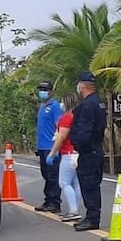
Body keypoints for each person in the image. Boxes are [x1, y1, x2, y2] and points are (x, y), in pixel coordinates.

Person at [68, 71, 107, 232]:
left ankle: (92, 218)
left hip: (88, 151)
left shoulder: (87, 105)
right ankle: (91, 216)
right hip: (97, 149)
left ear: (82, 86)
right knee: (92, 184)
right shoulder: (99, 102)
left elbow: (84, 130)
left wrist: (77, 146)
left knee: (89, 184)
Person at [45, 93, 82, 222]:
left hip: (68, 154)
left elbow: (61, 137)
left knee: (64, 182)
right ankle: (75, 209)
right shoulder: (77, 117)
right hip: (76, 153)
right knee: (76, 183)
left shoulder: (66, 118)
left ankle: (73, 211)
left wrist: (52, 153)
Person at [35, 81, 64, 213]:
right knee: (46, 174)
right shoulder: (42, 106)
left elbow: (59, 126)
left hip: (51, 147)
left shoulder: (55, 106)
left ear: (51, 91)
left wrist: (56, 149)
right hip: (42, 147)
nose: (42, 91)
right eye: (40, 89)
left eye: (45, 89)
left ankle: (55, 202)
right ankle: (48, 200)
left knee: (53, 176)